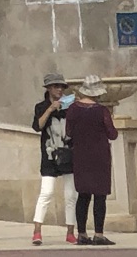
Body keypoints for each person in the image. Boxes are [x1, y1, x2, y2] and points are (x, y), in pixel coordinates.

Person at [64, 78, 119, 247]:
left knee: (83, 195)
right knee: (100, 196)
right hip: (100, 157)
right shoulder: (101, 111)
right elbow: (112, 134)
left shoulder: (72, 109)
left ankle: (81, 233)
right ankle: (99, 234)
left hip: (81, 156)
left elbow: (68, 132)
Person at [29, 75, 74, 245]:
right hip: (49, 155)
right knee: (46, 192)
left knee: (71, 195)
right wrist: (50, 109)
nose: (59, 90)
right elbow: (37, 126)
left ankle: (70, 231)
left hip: (68, 153)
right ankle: (37, 231)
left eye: (61, 87)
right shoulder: (41, 107)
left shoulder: (69, 106)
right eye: (55, 87)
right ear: (48, 89)